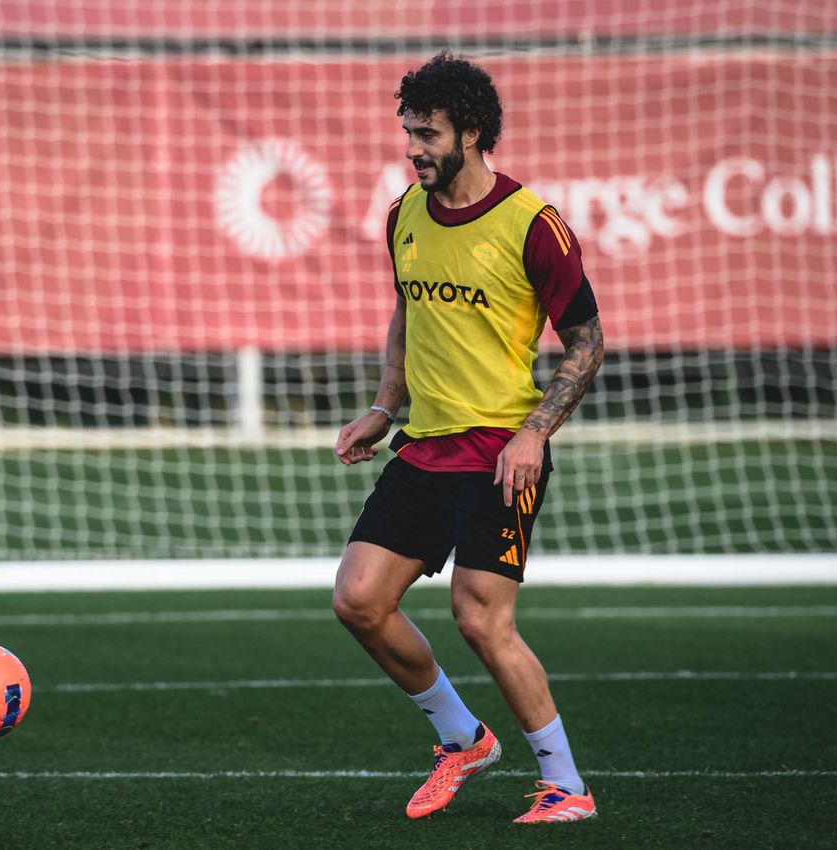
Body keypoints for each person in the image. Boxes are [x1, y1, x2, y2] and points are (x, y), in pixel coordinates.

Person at [333, 52, 605, 825]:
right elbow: (405, 314)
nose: (413, 148)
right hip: (424, 445)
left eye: (428, 134)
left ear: (472, 132)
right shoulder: (402, 215)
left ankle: (566, 786)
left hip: (498, 455)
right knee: (357, 600)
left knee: (480, 618)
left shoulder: (533, 224)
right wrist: (385, 409)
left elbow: (586, 342)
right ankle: (461, 738)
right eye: (408, 133)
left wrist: (532, 433)